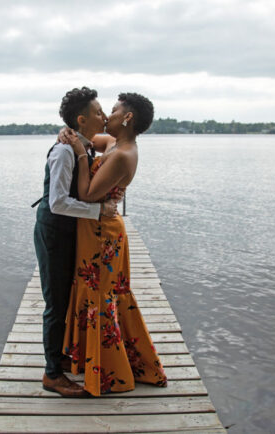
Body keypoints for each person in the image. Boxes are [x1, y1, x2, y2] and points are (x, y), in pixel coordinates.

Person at [61, 92, 168, 396]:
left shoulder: (124, 154)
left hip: (102, 234)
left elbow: (86, 194)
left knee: (100, 294)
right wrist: (67, 134)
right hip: (93, 229)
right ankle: (92, 360)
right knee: (95, 292)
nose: (107, 116)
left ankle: (111, 371)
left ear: (128, 117)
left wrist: (82, 157)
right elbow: (82, 137)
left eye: (113, 110)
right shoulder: (112, 144)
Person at [33, 87, 121, 397]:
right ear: (83, 120)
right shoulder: (64, 150)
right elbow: (57, 202)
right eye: (99, 112)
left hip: (70, 231)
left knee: (66, 295)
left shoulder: (82, 143)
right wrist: (99, 210)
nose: (105, 116)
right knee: (55, 303)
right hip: (54, 231)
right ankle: (52, 374)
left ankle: (61, 357)